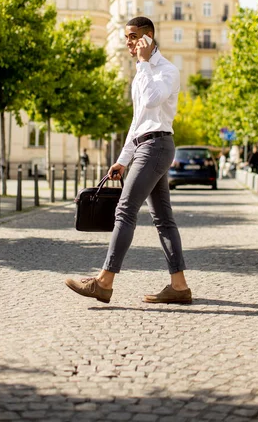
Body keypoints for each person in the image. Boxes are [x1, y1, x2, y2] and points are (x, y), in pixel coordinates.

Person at [65, 16, 191, 305]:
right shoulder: (142, 72)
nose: (128, 43)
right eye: (127, 37)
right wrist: (122, 159)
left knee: (125, 210)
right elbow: (137, 122)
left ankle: (103, 282)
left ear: (148, 37)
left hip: (157, 146)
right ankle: (180, 286)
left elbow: (151, 101)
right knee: (163, 219)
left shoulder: (166, 70)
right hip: (148, 145)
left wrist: (145, 63)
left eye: (133, 37)